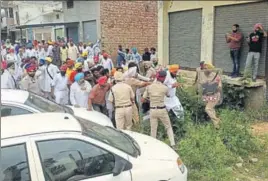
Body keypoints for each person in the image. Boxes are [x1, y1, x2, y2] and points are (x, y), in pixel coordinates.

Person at [142, 70, 176, 149]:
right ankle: (173, 144)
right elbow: (168, 95)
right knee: (168, 127)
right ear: (163, 78)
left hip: (152, 110)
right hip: (162, 110)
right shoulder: (165, 88)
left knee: (153, 129)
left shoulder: (149, 87)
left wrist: (150, 99)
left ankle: (152, 146)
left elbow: (143, 100)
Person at [198, 63, 222, 129]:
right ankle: (216, 126)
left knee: (207, 109)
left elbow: (219, 87)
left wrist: (214, 86)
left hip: (215, 95)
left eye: (206, 68)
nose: (205, 70)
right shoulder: (202, 74)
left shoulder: (215, 76)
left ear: (210, 69)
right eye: (204, 68)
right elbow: (201, 84)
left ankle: (217, 120)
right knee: (211, 109)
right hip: (207, 95)